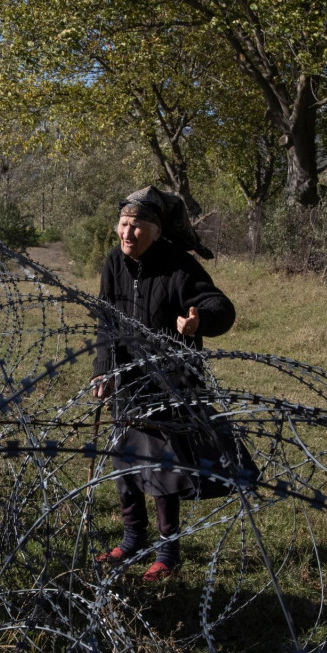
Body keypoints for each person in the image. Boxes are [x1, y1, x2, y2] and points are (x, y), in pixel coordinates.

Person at [91, 186, 236, 582]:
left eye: (137, 227)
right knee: (124, 462)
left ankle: (167, 549)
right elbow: (106, 321)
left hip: (168, 381)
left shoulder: (179, 266)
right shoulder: (113, 264)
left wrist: (198, 321)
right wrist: (103, 368)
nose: (127, 234)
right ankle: (132, 537)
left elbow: (220, 306)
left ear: (155, 231)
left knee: (160, 466)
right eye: (123, 225)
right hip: (127, 379)